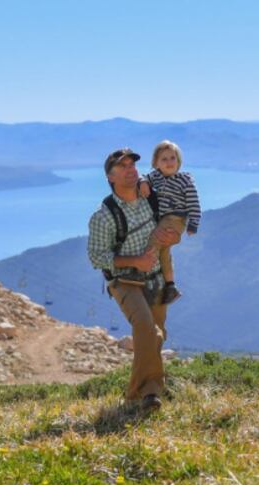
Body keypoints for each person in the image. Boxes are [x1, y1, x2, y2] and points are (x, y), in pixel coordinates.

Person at [87, 148, 181, 411]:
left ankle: (149, 391)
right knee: (145, 326)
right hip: (125, 281)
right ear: (110, 176)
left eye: (132, 164)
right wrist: (134, 261)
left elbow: (173, 228)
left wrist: (173, 237)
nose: (131, 169)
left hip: (156, 278)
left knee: (156, 334)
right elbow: (96, 257)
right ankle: (139, 394)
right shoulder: (103, 215)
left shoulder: (151, 198)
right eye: (123, 166)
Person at [134, 140, 202, 304]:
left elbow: (194, 203)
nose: (169, 162)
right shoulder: (155, 176)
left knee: (155, 240)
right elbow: (143, 176)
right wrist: (143, 182)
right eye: (164, 159)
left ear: (179, 161)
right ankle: (170, 286)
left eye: (173, 158)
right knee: (164, 251)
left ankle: (140, 273)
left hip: (176, 219)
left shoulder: (185, 180)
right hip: (162, 219)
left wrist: (193, 224)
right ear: (155, 163)